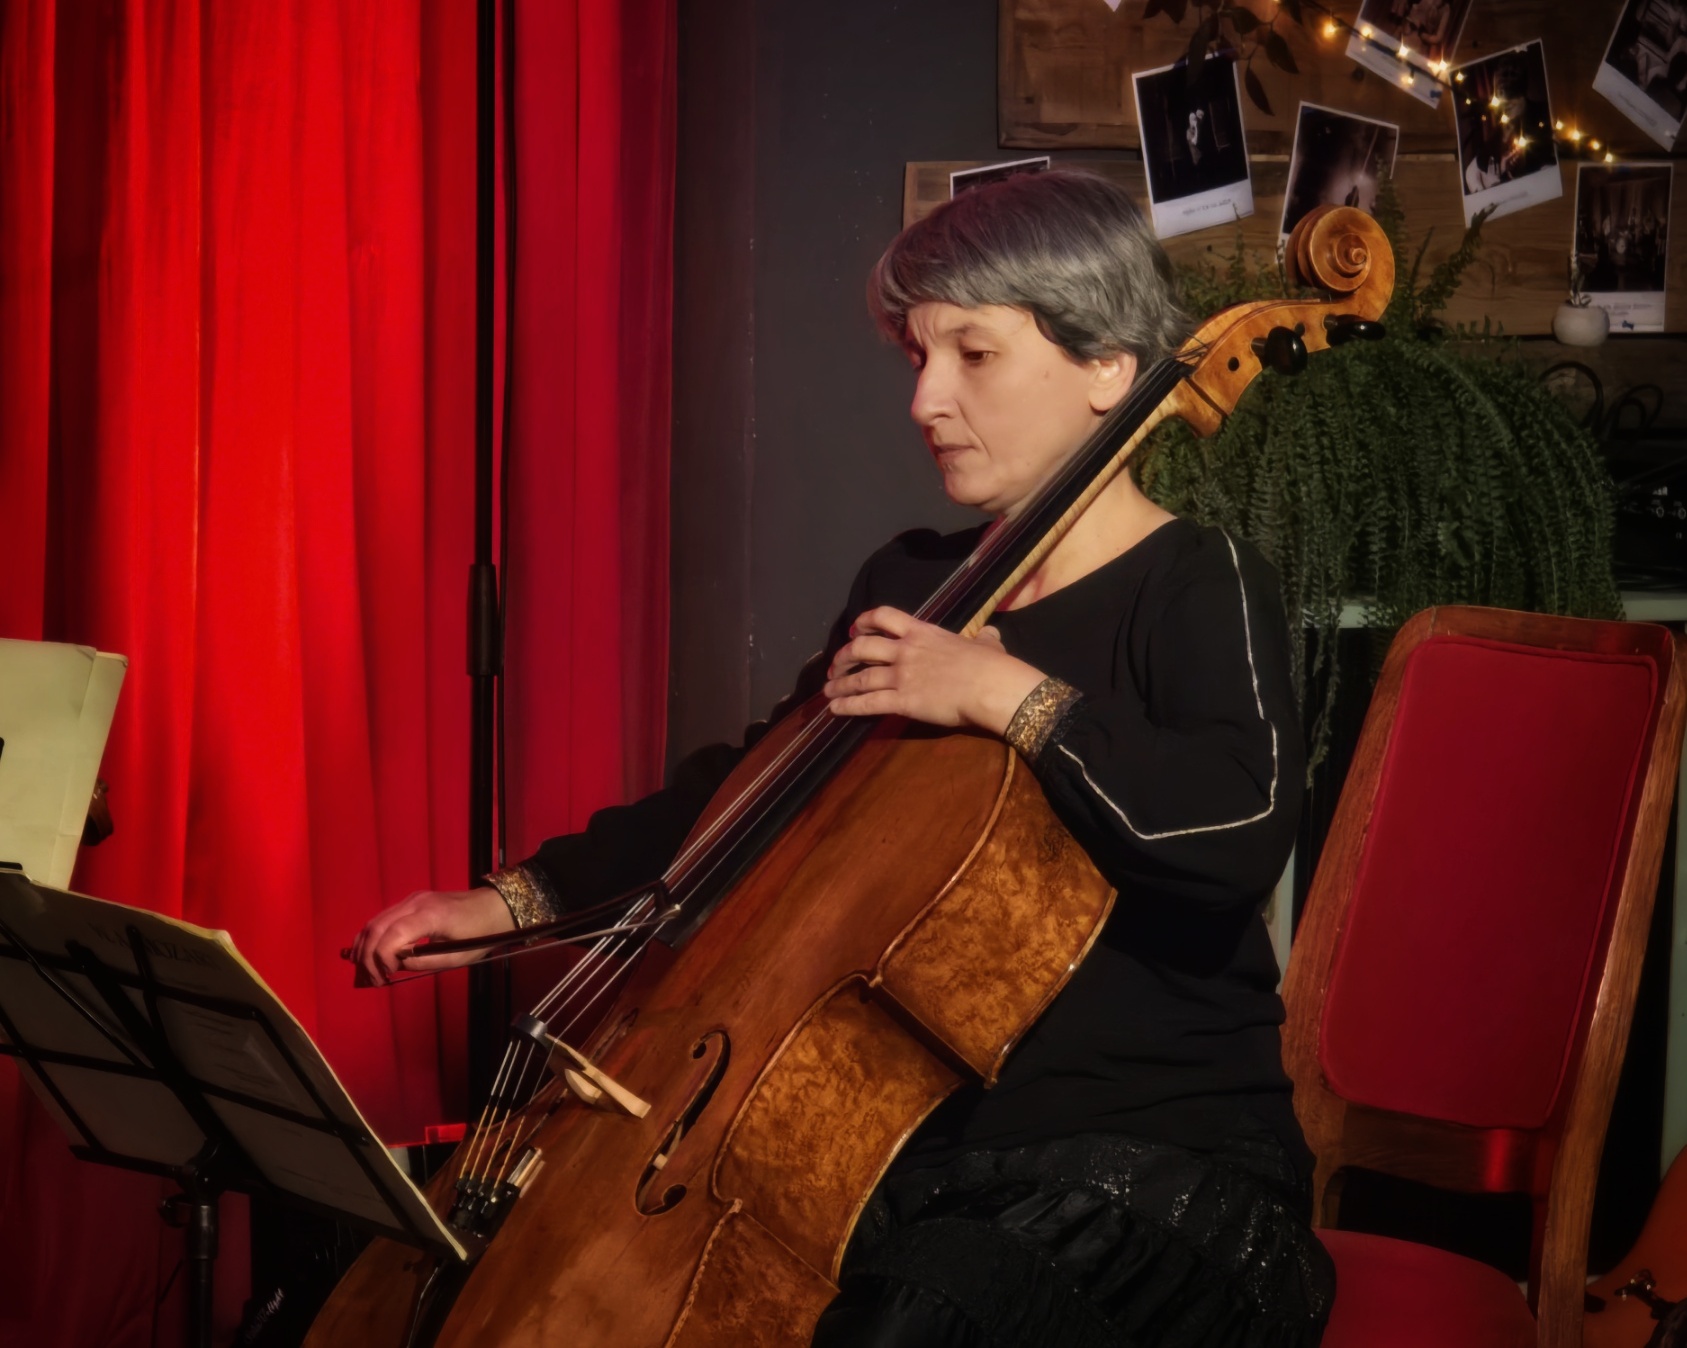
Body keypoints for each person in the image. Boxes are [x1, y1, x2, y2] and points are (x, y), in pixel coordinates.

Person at [353, 170, 1334, 1347]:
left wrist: (1005, 693)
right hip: (902, 1153)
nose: (925, 399)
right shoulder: (912, 583)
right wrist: (516, 899)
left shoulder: (1194, 581)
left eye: (973, 353)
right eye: (916, 357)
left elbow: (1233, 832)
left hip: (1146, 1166)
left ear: (1109, 369)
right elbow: (753, 789)